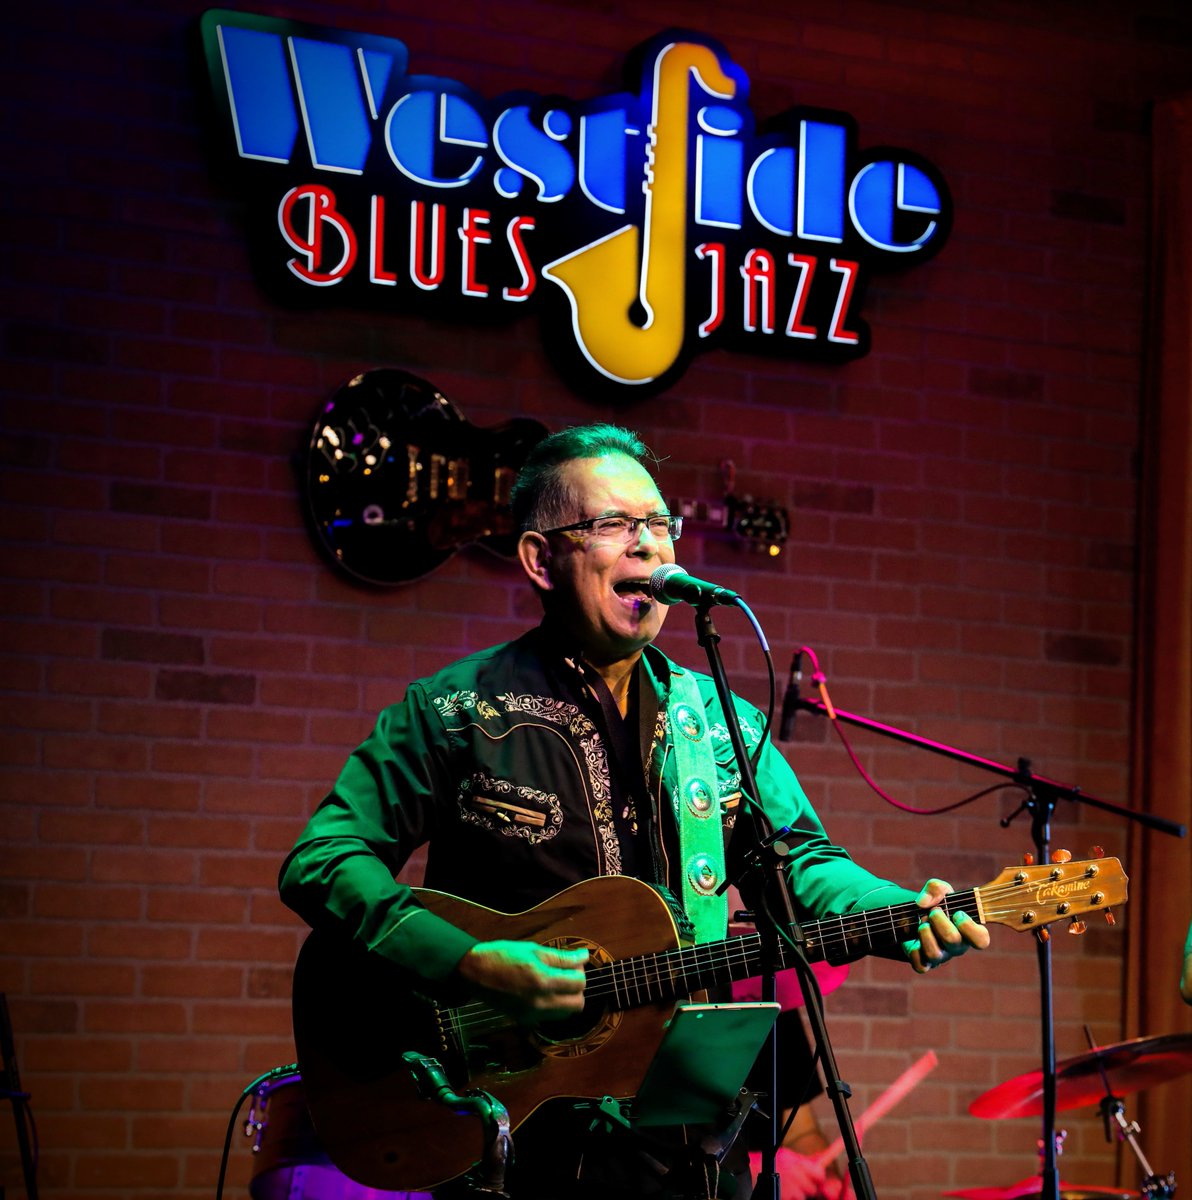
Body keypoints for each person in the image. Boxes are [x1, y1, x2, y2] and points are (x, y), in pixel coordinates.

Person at [279, 423, 990, 1200]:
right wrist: (470, 961)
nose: (648, 547)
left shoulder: (719, 721)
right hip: (508, 1142)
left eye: (659, 524)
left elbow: (804, 865)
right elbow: (322, 861)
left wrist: (901, 910)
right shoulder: (455, 710)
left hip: (687, 1142)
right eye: (613, 525)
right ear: (540, 559)